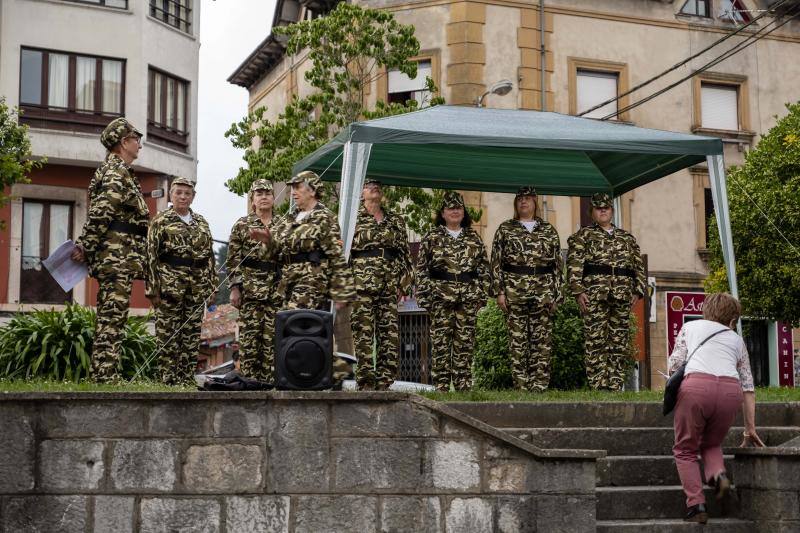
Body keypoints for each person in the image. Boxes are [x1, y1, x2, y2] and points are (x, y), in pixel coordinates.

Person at [249, 171, 355, 384]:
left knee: (294, 323)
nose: (293, 192)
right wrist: (267, 241)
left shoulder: (324, 217)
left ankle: (338, 368)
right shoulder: (290, 218)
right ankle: (308, 374)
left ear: (313, 190)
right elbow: (274, 254)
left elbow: (336, 255)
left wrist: (342, 292)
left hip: (312, 281)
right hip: (288, 282)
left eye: (298, 187)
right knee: (296, 330)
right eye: (292, 187)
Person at [668, 292, 765, 524]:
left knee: (685, 449)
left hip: (697, 389)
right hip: (730, 393)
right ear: (733, 320)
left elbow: (674, 364)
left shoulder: (691, 328)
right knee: (711, 443)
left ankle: (696, 505)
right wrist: (749, 428)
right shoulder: (737, 340)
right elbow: (748, 386)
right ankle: (718, 475)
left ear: (705, 310)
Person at [71, 117, 149, 382]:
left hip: (121, 257)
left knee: (113, 318)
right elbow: (102, 212)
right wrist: (86, 244)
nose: (139, 144)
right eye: (136, 139)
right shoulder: (115, 171)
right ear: (123, 142)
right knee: (111, 319)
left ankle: (104, 375)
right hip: (116, 257)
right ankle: (104, 378)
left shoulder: (121, 171)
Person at [566, 192, 646, 391]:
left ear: (612, 210)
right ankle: (598, 385)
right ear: (592, 212)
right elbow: (574, 265)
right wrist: (577, 291)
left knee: (618, 342)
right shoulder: (583, 236)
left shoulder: (626, 238)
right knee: (595, 341)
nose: (603, 210)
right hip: (594, 295)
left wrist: (638, 290)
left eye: (606, 207)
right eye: (598, 208)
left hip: (622, 295)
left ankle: (614, 385)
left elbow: (639, 267)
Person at [416, 191, 491, 392]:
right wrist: (425, 298)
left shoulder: (473, 238)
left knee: (464, 345)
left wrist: (481, 297)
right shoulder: (432, 237)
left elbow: (484, 269)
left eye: (458, 208)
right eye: (450, 208)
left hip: (468, 299)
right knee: (440, 344)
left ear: (463, 212)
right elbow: (422, 269)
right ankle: (440, 387)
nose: (455, 212)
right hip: (440, 298)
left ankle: (463, 386)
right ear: (442, 213)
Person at [491, 186, 563, 392]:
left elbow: (558, 266)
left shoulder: (548, 230)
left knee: (542, 342)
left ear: (535, 202)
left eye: (528, 198)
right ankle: (521, 386)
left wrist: (558, 295)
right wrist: (500, 292)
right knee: (517, 342)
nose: (524, 202)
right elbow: (495, 263)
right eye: (520, 198)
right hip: (515, 291)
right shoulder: (505, 229)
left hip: (543, 292)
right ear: (516, 203)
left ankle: (539, 386)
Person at [145, 177, 216, 385]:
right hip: (169, 287)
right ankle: (168, 379)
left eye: (187, 193)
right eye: (179, 193)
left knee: (191, 334)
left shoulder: (201, 222)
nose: (183, 197)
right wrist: (152, 289)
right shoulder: (160, 221)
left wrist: (211, 286)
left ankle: (185, 379)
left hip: (196, 286)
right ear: (171, 195)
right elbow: (150, 256)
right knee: (168, 334)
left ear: (193, 197)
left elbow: (209, 256)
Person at [350, 179, 413, 391]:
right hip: (361, 286)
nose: (374, 187)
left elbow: (406, 256)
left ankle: (385, 382)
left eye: (377, 186)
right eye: (368, 186)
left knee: (389, 336)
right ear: (361, 194)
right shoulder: (352, 218)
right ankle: (366, 383)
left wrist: (402, 285)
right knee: (363, 336)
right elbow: (343, 255)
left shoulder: (395, 220)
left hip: (389, 286)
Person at [226, 179, 283, 381]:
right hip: (250, 291)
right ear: (253, 200)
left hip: (276, 291)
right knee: (250, 341)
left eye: (268, 193)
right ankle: (249, 384)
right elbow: (233, 260)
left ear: (273, 199)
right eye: (259, 194)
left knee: (273, 340)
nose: (264, 197)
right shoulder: (242, 225)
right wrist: (234, 288)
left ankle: (270, 384)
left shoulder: (283, 225)